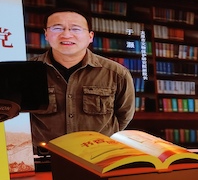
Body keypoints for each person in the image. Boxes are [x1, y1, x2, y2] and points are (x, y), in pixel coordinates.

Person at [30, 8, 135, 147]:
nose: (66, 35)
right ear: (46, 34)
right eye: (57, 28)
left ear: (90, 36)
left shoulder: (116, 73)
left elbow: (124, 115)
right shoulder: (27, 71)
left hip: (99, 154)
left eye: (75, 29)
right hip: (45, 155)